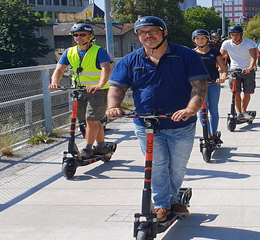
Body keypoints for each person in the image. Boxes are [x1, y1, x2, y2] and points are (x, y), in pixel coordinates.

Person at [106, 16, 207, 221]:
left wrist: (190, 109)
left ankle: (171, 198)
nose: (147, 36)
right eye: (142, 33)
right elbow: (117, 86)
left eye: (152, 31)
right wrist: (113, 106)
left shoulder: (186, 56)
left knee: (177, 166)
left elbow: (199, 86)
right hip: (146, 123)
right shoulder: (129, 60)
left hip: (181, 123)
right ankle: (162, 204)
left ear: (164, 33)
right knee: (157, 164)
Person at [49, 23, 112, 158]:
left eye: (82, 35)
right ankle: (101, 146)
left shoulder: (99, 51)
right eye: (75, 35)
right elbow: (59, 70)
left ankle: (88, 149)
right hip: (78, 91)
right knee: (88, 121)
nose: (78, 37)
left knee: (91, 120)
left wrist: (100, 85)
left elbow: (106, 69)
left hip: (97, 92)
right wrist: (54, 82)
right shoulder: (69, 52)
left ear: (90, 36)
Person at [192, 29, 228, 143]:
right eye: (197, 38)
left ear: (207, 39)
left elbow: (223, 68)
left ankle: (213, 134)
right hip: (198, 85)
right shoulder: (191, 53)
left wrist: (222, 77)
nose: (200, 40)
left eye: (202, 38)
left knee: (213, 109)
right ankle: (206, 133)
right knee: (202, 110)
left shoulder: (214, 52)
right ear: (194, 40)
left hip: (213, 83)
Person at [219, 25, 258, 121]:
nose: (234, 37)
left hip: (247, 70)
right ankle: (239, 112)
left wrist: (250, 67)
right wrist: (220, 66)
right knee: (236, 92)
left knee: (247, 92)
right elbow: (221, 56)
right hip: (234, 69)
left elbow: (253, 57)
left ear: (241, 35)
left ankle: (244, 111)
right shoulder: (226, 43)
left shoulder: (249, 42)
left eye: (236, 35)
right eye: (232, 35)